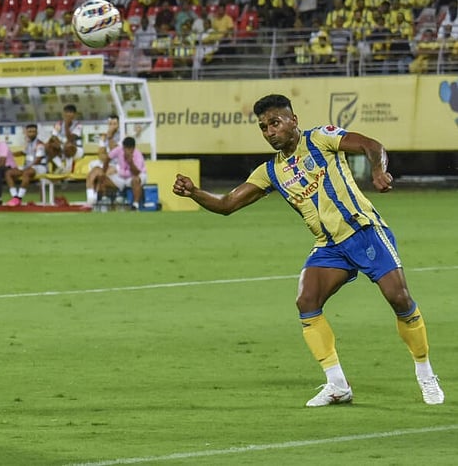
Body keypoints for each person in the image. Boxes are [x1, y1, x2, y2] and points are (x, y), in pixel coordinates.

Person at [172, 94, 445, 407]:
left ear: (293, 120)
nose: (269, 131)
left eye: (275, 123)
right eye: (263, 127)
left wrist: (377, 171)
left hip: (363, 231)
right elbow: (227, 204)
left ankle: (425, 374)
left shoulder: (320, 139)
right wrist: (194, 193)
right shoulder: (270, 171)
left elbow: (372, 145)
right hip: (330, 247)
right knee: (307, 300)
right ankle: (337, 384)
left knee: (399, 299)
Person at [5, 123, 47, 207]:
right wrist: (9, 154)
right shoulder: (28, 143)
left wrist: (26, 168)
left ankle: (19, 198)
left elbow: (38, 160)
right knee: (8, 173)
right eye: (30, 131)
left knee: (27, 173)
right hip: (28, 167)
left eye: (33, 131)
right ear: (26, 133)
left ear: (36, 133)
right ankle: (15, 197)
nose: (32, 133)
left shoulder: (39, 144)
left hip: (40, 167)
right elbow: (23, 152)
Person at [99, 136, 146, 209]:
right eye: (125, 148)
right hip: (122, 176)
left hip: (135, 176)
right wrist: (103, 172)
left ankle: (135, 204)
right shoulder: (119, 150)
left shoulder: (138, 155)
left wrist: (131, 162)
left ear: (133, 148)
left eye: (129, 149)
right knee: (102, 177)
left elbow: (136, 173)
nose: (126, 151)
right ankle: (105, 199)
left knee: (135, 180)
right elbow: (108, 158)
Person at [86, 115, 122, 205]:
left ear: (119, 125)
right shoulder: (103, 137)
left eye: (114, 124)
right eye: (110, 124)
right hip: (106, 163)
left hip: (118, 165)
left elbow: (115, 152)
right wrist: (103, 142)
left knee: (103, 173)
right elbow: (101, 155)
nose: (112, 126)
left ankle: (106, 195)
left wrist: (110, 137)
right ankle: (91, 199)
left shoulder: (123, 136)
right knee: (93, 172)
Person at [46, 104, 83, 173]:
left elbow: (70, 139)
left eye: (71, 112)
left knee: (68, 146)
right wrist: (56, 143)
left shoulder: (78, 125)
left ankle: (68, 171)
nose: (68, 114)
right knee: (48, 146)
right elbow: (53, 136)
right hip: (62, 147)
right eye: (67, 112)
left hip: (76, 149)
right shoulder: (59, 123)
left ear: (75, 115)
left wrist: (66, 125)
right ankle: (61, 167)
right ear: (63, 114)